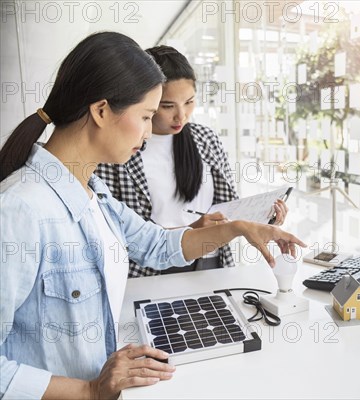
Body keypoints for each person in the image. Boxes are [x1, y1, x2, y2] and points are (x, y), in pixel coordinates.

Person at [0, 31, 305, 399]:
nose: (148, 134)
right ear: (100, 111)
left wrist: (240, 228)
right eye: (146, 116)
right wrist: (90, 390)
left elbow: (157, 245)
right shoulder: (20, 210)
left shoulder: (92, 189)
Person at [95, 45, 288, 277]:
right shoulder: (119, 148)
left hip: (210, 261)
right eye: (167, 106)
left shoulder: (204, 138)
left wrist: (265, 216)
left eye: (189, 102)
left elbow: (230, 208)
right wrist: (190, 230)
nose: (181, 116)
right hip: (150, 270)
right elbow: (119, 234)